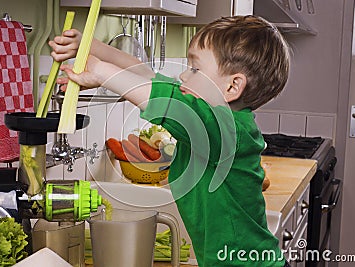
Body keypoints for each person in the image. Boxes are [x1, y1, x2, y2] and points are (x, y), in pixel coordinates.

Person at [49, 15, 291, 266]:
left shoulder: (227, 130)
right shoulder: (211, 122)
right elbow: (144, 74)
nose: (184, 76)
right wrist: (89, 47)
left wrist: (101, 71)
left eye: (195, 69)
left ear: (232, 87)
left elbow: (166, 102)